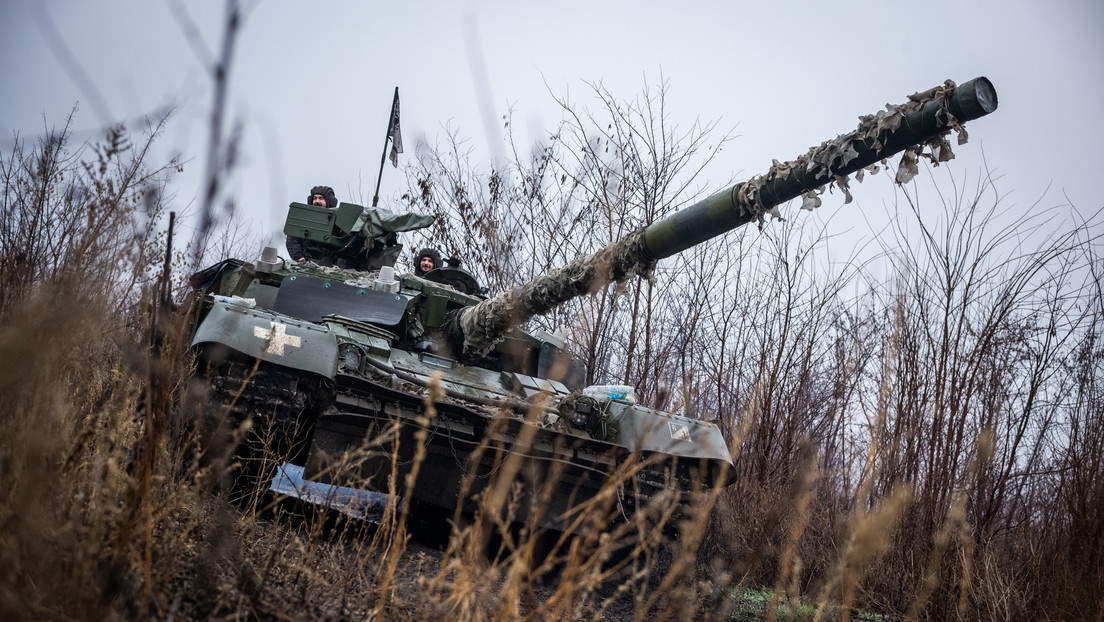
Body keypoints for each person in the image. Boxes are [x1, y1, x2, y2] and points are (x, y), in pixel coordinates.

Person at [286, 185, 338, 262]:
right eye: (315, 198)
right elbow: (292, 239)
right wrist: (298, 257)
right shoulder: (303, 219)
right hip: (305, 262)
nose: (317, 201)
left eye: (320, 198)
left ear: (328, 201)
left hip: (329, 266)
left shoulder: (337, 222)